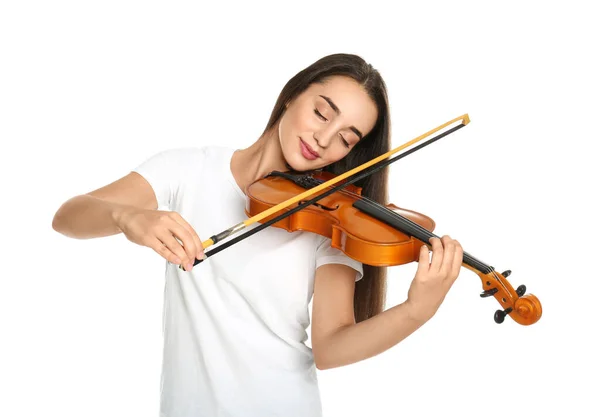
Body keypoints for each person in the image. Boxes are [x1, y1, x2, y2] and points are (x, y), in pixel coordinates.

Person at [52, 53, 463, 417]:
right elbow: (68, 216)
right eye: (322, 114)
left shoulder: (331, 217)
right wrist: (129, 218)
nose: (323, 140)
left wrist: (416, 311)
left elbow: (331, 347)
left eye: (345, 138)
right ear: (292, 94)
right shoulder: (187, 171)